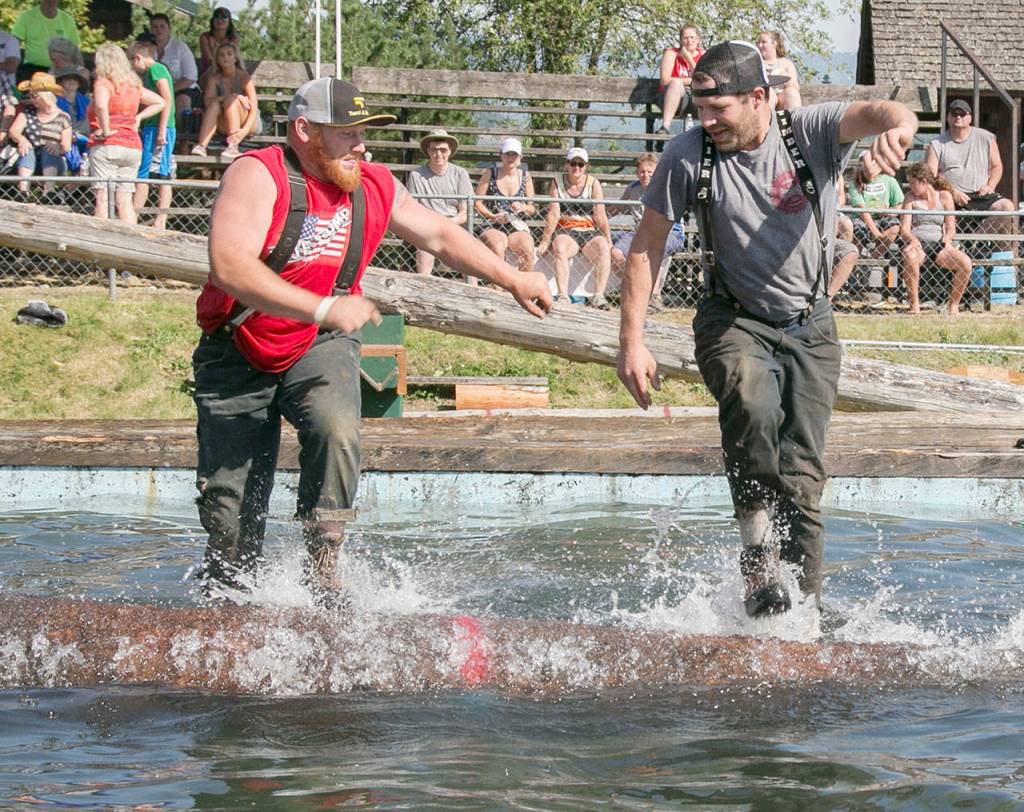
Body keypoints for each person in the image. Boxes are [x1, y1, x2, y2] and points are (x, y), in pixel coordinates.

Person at [192, 77, 551, 597]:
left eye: (365, 133)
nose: (362, 145)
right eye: (347, 133)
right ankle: (229, 596)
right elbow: (229, 266)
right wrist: (325, 305)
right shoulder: (258, 174)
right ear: (303, 130)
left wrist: (512, 278)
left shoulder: (376, 183)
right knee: (230, 513)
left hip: (319, 342)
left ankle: (322, 571)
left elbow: (440, 235)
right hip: (238, 348)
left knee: (337, 430)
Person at [617, 41, 917, 617]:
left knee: (802, 475)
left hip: (811, 324)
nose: (705, 121)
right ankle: (759, 566)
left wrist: (900, 127)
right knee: (752, 408)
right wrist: (632, 340)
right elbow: (646, 246)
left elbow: (881, 111)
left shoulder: (809, 132)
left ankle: (803, 611)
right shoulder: (688, 155)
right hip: (733, 317)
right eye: (698, 109)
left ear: (759, 98)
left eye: (717, 109)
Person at [87, 42, 165, 223]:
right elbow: (160, 102)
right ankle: (129, 240)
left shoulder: (103, 83)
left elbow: (100, 105)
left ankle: (102, 243)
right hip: (132, 145)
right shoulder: (133, 85)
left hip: (108, 145)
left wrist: (106, 130)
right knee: (125, 200)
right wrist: (137, 118)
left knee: (103, 198)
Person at [925, 99, 1016, 240]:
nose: (958, 117)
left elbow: (997, 166)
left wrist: (990, 186)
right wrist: (952, 191)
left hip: (981, 194)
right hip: (950, 195)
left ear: (970, 118)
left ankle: (975, 242)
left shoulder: (986, 137)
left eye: (962, 114)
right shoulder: (936, 144)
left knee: (1007, 207)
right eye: (954, 114)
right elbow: (930, 175)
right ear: (948, 117)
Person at [610, 153, 688, 312]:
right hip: (641, 233)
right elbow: (616, 209)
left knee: (653, 250)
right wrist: (598, 215)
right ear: (637, 173)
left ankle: (654, 297)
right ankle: (634, 285)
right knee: (616, 252)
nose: (645, 175)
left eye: (650, 172)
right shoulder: (633, 189)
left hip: (670, 232)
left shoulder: (665, 188)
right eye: (642, 171)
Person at [538, 147, 613, 308]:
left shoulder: (593, 183)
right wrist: (545, 240)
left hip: (589, 231)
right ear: (567, 164)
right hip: (566, 230)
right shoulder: (557, 182)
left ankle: (599, 295)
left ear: (586, 166)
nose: (577, 168)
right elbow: (553, 213)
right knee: (560, 247)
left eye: (581, 164)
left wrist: (608, 238)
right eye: (573, 163)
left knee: (603, 248)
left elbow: (600, 214)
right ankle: (562, 294)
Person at [898, 162, 972, 315]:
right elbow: (904, 229)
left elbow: (951, 227)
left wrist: (947, 240)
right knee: (909, 256)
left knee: (965, 263)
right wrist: (912, 239)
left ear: (924, 181)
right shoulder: (910, 198)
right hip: (918, 244)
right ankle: (915, 304)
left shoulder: (944, 197)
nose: (910, 186)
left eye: (912, 183)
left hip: (940, 245)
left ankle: (954, 305)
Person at [405, 128, 475, 280]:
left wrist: (447, 224)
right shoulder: (416, 176)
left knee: (468, 255)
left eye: (443, 149)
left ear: (449, 151)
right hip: (428, 227)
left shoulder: (460, 174)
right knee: (424, 251)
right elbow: (412, 210)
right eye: (434, 150)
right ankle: (422, 292)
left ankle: (474, 291)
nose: (438, 154)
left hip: (454, 225)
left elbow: (464, 213)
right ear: (428, 151)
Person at [129, 40, 175, 229]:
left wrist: (162, 128)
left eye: (132, 63)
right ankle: (133, 214)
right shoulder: (148, 74)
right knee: (144, 173)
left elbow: (167, 100)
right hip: (149, 127)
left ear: (138, 57)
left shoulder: (157, 70)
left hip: (160, 128)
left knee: (162, 173)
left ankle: (161, 219)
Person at [474, 137, 537, 274]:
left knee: (529, 250)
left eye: (514, 154)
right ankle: (498, 289)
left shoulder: (526, 176)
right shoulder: (490, 173)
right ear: (501, 155)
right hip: (492, 223)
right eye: (508, 153)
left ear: (520, 157)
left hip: (516, 223)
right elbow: (477, 202)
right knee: (498, 245)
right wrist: (490, 215)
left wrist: (523, 207)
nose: (511, 158)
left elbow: (532, 208)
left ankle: (525, 289)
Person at [190, 42, 259, 160]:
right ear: (217, 59)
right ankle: (201, 145)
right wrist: (230, 96)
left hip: (248, 122)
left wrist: (244, 131)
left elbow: (254, 107)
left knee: (231, 101)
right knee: (215, 105)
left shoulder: (244, 77)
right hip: (224, 122)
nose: (225, 57)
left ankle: (233, 146)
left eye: (229, 54)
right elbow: (208, 101)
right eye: (221, 55)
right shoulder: (214, 78)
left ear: (235, 57)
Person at [8, 71, 72, 197]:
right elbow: (13, 131)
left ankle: (49, 191)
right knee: (28, 149)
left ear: (45, 96)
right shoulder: (27, 113)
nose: (31, 99)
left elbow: (67, 147)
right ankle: (23, 190)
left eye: (34, 96)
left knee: (49, 149)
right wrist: (21, 139)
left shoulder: (63, 117)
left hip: (53, 161)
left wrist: (57, 146)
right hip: (28, 158)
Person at [148, 12, 200, 129]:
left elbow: (190, 77)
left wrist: (169, 90)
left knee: (182, 102)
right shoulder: (147, 48)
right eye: (155, 27)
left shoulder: (180, 47)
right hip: (155, 89)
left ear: (169, 29)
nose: (158, 30)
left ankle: (181, 139)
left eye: (162, 26)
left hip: (183, 89)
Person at [847, 150, 903, 254]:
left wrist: (890, 212)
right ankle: (857, 263)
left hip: (882, 218)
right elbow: (862, 210)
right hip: (862, 219)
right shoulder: (855, 183)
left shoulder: (889, 180)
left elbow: (899, 204)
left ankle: (873, 259)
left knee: (895, 227)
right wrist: (875, 232)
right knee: (859, 232)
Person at [11, 0, 79, 81]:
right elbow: (13, 44)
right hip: (32, 70)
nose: (50, 1)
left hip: (60, 71)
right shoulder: (26, 17)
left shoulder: (67, 20)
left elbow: (75, 50)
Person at [656, 25, 703, 135]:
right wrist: (691, 81)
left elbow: (702, 79)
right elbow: (665, 80)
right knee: (675, 83)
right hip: (672, 98)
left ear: (698, 40)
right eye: (685, 38)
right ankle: (665, 127)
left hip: (696, 98)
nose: (689, 41)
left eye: (692, 37)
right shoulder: (671, 53)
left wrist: (688, 58)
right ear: (680, 40)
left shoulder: (704, 55)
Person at [755, 31, 801, 109]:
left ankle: (794, 120)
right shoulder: (755, 64)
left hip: (783, 97)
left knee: (792, 93)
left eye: (763, 42)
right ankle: (769, 120)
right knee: (769, 94)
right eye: (758, 43)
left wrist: (787, 81)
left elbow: (795, 86)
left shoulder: (786, 63)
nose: (760, 45)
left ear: (774, 43)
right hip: (765, 97)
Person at [198, 7, 241, 77]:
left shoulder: (234, 38)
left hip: (228, 72)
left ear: (229, 22)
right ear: (212, 20)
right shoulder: (204, 37)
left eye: (224, 18)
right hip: (207, 73)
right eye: (216, 17)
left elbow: (230, 59)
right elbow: (209, 60)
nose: (220, 20)